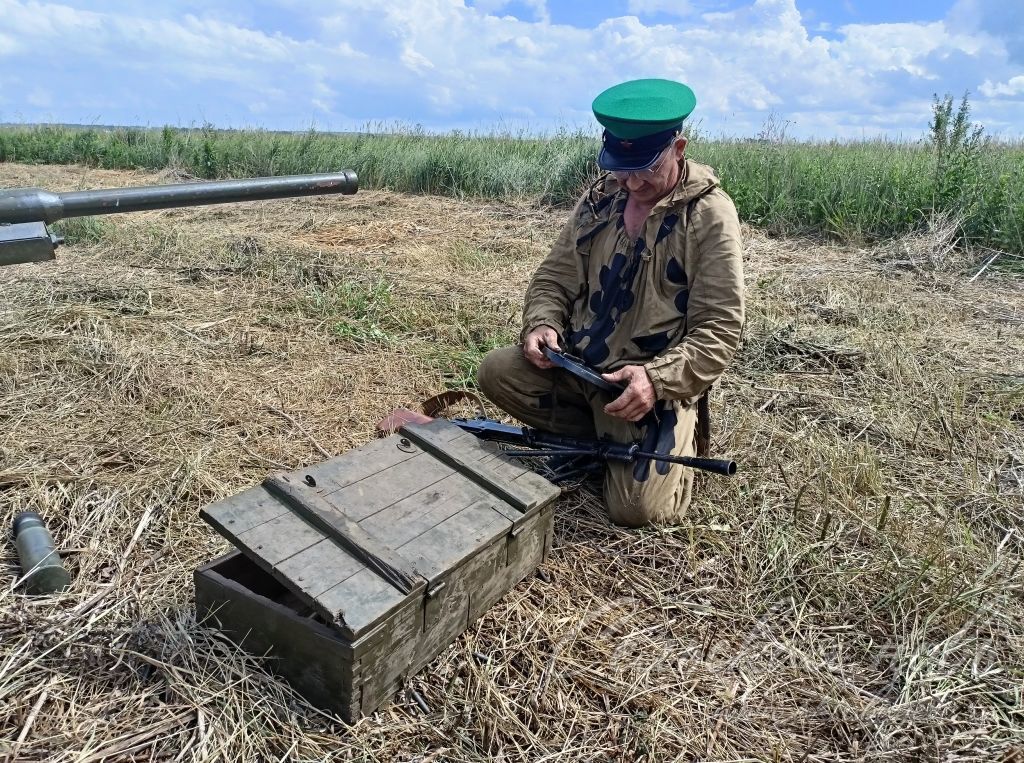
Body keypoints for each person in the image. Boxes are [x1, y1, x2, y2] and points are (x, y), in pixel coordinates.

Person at [477, 79, 745, 527]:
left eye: (645, 168)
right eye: (621, 168)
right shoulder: (601, 198)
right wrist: (542, 324)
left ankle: (658, 443)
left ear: (678, 147)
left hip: (641, 390)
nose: (632, 182)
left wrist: (655, 380)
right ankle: (601, 437)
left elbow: (720, 329)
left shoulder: (708, 215)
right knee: (495, 372)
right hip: (579, 369)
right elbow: (555, 276)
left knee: (637, 510)